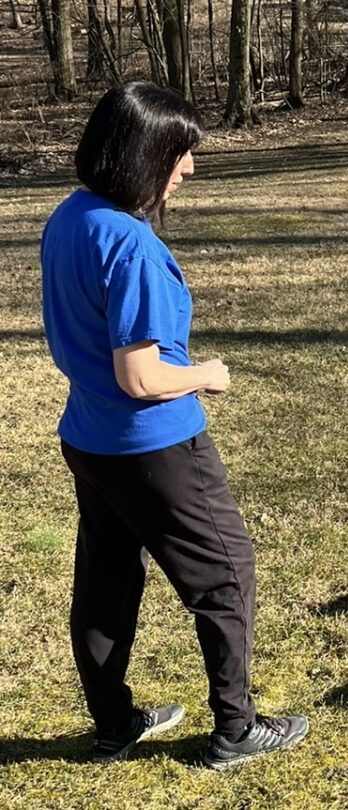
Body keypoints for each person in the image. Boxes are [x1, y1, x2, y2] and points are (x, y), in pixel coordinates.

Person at [40, 81, 308, 769]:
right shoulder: (130, 245)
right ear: (141, 155)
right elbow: (141, 376)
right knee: (225, 575)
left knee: (105, 582)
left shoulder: (69, 218)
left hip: (90, 440)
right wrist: (206, 374)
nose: (188, 169)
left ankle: (113, 724)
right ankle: (236, 730)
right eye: (179, 154)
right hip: (153, 445)